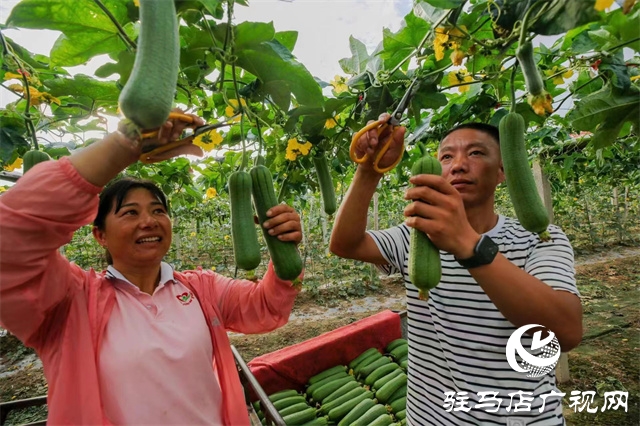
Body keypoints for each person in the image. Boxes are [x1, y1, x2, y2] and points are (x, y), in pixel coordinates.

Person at [0, 112, 304, 425]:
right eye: (130, 213)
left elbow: (266, 307)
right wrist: (122, 146)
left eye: (158, 210)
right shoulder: (69, 302)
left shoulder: (201, 289)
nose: (149, 221)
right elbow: (7, 239)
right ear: (99, 234)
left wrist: (285, 247)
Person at [330, 114, 583, 426]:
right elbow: (345, 244)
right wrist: (369, 170)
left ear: (504, 170)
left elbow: (566, 332)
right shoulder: (414, 236)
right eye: (447, 156)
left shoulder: (539, 239)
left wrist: (468, 244)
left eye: (476, 153)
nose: (458, 165)